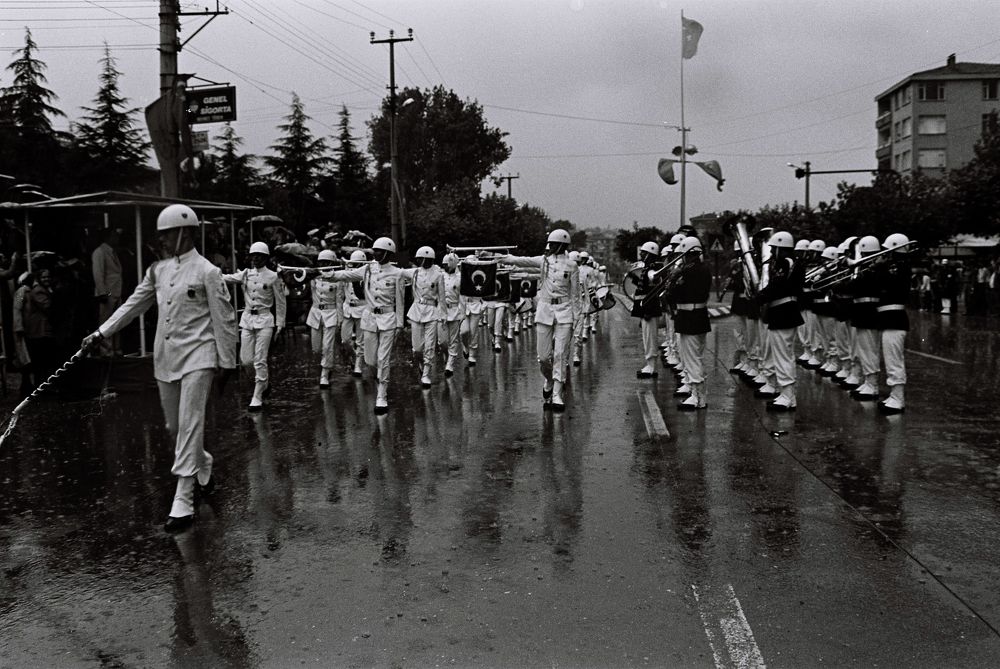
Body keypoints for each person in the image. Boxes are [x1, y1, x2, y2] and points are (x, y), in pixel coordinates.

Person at [82, 203, 239, 533]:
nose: (162, 241)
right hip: (166, 357)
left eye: (167, 235)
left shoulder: (207, 271)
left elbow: (224, 320)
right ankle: (203, 461)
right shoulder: (157, 271)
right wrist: (101, 332)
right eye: (160, 236)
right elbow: (132, 305)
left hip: (201, 355)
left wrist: (228, 362)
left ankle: (183, 497)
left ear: (185, 233)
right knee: (174, 427)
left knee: (189, 423)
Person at [498, 229, 580, 411]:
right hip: (545, 311)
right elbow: (521, 260)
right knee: (543, 357)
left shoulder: (572, 266)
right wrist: (499, 257)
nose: (549, 247)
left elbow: (575, 296)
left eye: (552, 244)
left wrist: (576, 319)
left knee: (560, 354)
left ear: (560, 245)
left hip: (565, 312)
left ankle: (558, 394)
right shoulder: (544, 262)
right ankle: (549, 379)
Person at [327, 236, 408, 414]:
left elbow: (400, 301)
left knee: (383, 358)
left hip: (388, 318)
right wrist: (327, 274)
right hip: (370, 318)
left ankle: (382, 395)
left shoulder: (397, 273)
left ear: (387, 253)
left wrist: (400, 324)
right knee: (370, 361)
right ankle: (379, 381)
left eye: (378, 251)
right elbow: (346, 275)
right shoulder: (367, 269)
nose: (375, 254)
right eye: (374, 251)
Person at [222, 242, 287, 412]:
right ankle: (264, 383)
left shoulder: (273, 276)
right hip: (247, 320)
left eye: (259, 255)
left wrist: (280, 324)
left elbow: (281, 303)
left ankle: (257, 395)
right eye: (253, 255)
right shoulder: (245, 274)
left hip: (265, 320)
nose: (256, 258)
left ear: (266, 258)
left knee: (260, 359)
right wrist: (209, 275)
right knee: (246, 361)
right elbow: (226, 278)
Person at [758, 230, 804, 411]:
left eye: (774, 249)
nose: (772, 253)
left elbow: (776, 286)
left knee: (783, 356)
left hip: (784, 312)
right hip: (783, 312)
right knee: (783, 355)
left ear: (781, 248)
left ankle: (787, 395)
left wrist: (759, 296)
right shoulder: (788, 262)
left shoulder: (786, 263)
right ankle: (786, 394)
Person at [666, 237, 711, 410]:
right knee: (696, 358)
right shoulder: (702, 269)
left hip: (689, 317)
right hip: (698, 316)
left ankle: (697, 397)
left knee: (692, 359)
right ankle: (698, 395)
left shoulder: (689, 272)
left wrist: (673, 278)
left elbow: (673, 293)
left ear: (689, 254)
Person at [876, 233, 912, 414]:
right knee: (890, 360)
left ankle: (898, 398)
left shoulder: (901, 267)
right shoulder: (894, 266)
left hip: (895, 318)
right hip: (889, 318)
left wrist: (879, 268)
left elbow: (888, 283)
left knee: (894, 361)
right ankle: (894, 395)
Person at [846, 236, 883, 401]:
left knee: (869, 351)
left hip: (869, 313)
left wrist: (841, 286)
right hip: (862, 313)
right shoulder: (867, 270)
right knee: (865, 350)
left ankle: (872, 384)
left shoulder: (874, 271)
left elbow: (856, 286)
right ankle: (868, 382)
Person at [407, 246, 446, 388]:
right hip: (416, 311)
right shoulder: (415, 272)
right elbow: (398, 273)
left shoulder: (438, 274)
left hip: (432, 311)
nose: (421, 261)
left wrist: (443, 316)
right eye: (419, 259)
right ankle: (419, 362)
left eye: (423, 259)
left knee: (430, 345)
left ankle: (426, 374)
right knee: (417, 348)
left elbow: (442, 297)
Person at [306, 249, 342, 388]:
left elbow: (339, 300)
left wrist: (340, 319)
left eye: (327, 262)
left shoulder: (338, 278)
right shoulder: (314, 277)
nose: (324, 264)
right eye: (321, 262)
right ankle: (325, 365)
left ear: (332, 263)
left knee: (327, 346)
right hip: (315, 313)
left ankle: (325, 373)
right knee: (316, 348)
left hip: (331, 313)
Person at [630, 240, 663, 379]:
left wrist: (648, 310)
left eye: (644, 252)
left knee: (650, 338)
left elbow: (653, 288)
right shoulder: (647, 267)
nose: (641, 254)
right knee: (646, 337)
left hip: (649, 307)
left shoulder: (653, 268)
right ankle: (649, 364)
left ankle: (651, 366)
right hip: (645, 307)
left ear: (650, 253)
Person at [23, 267, 59, 384]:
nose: (46, 279)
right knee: (41, 360)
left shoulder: (45, 289)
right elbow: (47, 307)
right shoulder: (39, 290)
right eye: (44, 277)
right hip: (39, 330)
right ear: (39, 278)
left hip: (42, 330)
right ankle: (40, 385)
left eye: (48, 277)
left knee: (43, 360)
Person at [92, 227, 124, 356]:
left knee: (116, 321)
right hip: (108, 293)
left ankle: (116, 348)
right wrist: (102, 292)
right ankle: (106, 350)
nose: (117, 238)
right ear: (107, 237)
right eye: (114, 236)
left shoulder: (112, 252)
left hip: (116, 292)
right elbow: (98, 273)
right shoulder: (100, 252)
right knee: (105, 322)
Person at [341, 250, 368, 377]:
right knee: (345, 340)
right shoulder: (347, 274)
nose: (355, 266)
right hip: (348, 309)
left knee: (360, 340)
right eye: (353, 264)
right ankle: (353, 357)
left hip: (362, 309)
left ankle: (358, 364)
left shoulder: (367, 274)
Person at [441, 253, 464, 377]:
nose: (444, 267)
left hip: (455, 310)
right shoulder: (440, 276)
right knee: (442, 341)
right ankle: (446, 354)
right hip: (441, 311)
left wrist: (462, 312)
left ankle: (450, 363)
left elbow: (462, 296)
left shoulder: (460, 278)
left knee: (453, 339)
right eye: (443, 265)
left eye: (446, 265)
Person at [11, 271, 34, 397]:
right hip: (22, 329)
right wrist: (18, 326)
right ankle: (25, 387)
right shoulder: (22, 292)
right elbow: (17, 308)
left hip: (27, 328)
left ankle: (27, 386)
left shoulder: (27, 291)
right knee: (25, 359)